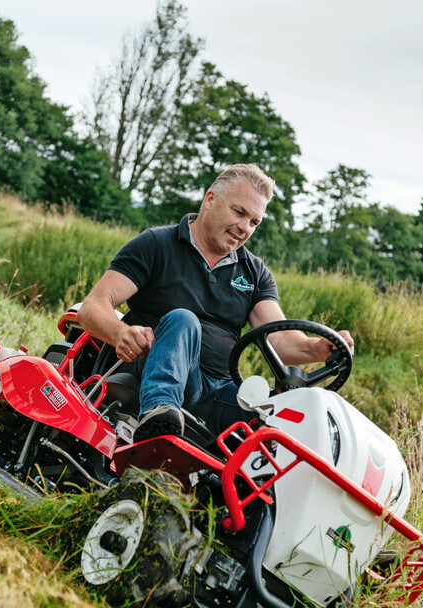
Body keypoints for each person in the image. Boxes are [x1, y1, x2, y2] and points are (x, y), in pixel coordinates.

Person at [76, 163, 354, 442]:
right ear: (210, 200)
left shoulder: (254, 274)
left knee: (280, 418)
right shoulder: (156, 245)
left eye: (254, 222)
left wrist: (317, 348)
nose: (244, 228)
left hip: (217, 389)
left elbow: (280, 340)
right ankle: (159, 419)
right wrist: (120, 333)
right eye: (239, 212)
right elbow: (94, 306)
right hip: (152, 370)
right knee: (183, 320)